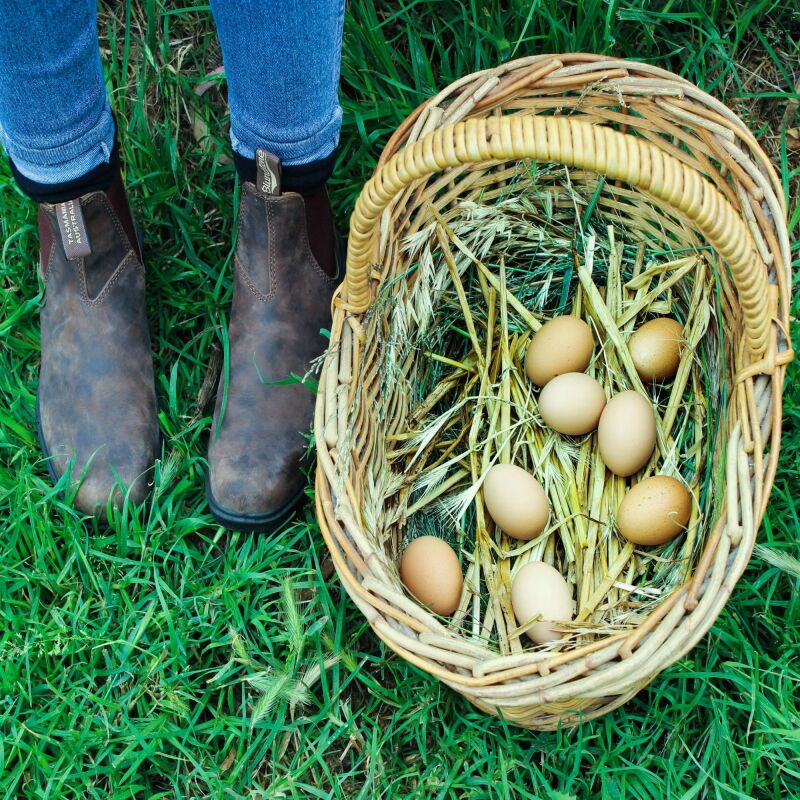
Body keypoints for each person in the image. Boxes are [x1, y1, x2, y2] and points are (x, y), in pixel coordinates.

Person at [0, 1, 345, 531]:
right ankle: (75, 202)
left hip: (285, 204)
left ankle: (290, 232)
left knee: (284, 158)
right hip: (76, 229)